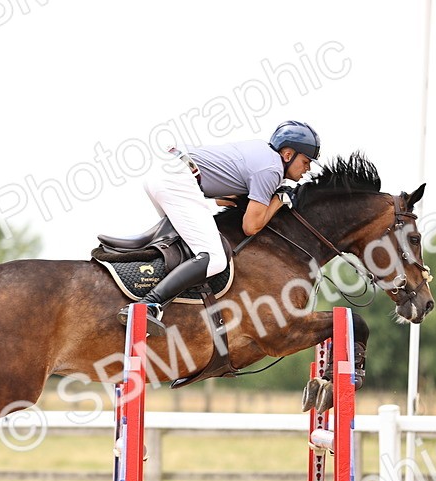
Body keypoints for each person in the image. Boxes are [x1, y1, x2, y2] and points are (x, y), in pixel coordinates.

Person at [118, 120, 321, 334]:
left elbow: (229, 189)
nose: (307, 169)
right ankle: (146, 305)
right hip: (176, 178)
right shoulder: (272, 169)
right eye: (306, 161)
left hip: (169, 171)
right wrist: (279, 200)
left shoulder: (263, 154)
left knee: (187, 247)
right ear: (288, 154)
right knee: (214, 258)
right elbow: (250, 227)